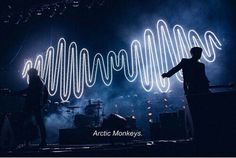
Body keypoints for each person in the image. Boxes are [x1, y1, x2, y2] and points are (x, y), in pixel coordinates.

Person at [14, 68, 48, 147]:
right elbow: (46, 92)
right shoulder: (40, 81)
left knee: (26, 122)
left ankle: (27, 141)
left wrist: (16, 93)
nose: (28, 76)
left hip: (32, 105)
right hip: (37, 105)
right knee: (39, 123)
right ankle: (42, 141)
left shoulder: (34, 80)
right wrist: (43, 103)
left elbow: (29, 91)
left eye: (29, 74)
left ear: (32, 74)